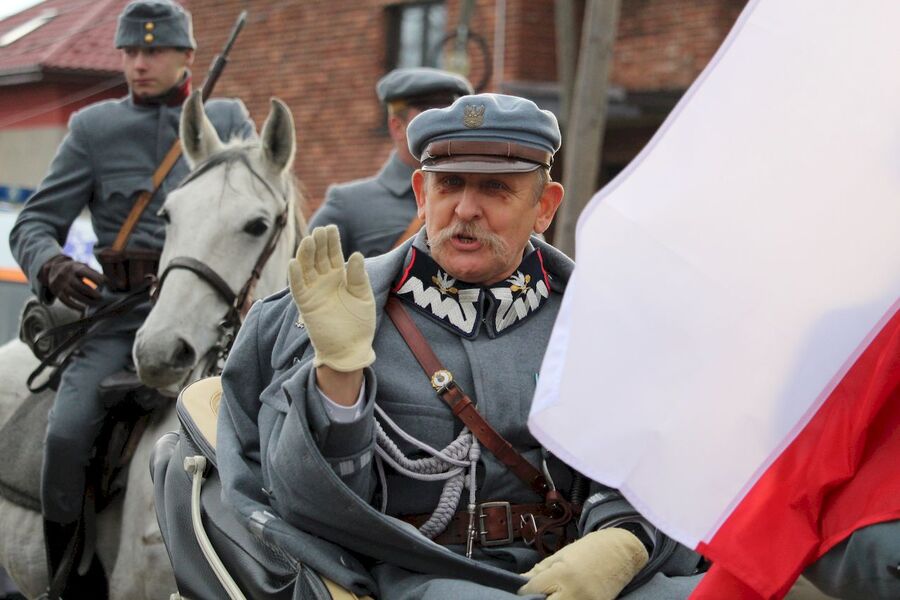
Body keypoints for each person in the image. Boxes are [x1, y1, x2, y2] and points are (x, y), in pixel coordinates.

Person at [217, 93, 705, 599]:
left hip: (586, 576)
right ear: (421, 195)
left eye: (496, 188)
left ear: (544, 207)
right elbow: (309, 506)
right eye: (449, 184)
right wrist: (340, 374)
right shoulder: (321, 320)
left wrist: (626, 541)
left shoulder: (605, 324)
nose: (466, 209)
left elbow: (658, 463)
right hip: (415, 580)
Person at [8, 0, 255, 597]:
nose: (139, 63)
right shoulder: (94, 129)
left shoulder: (226, 119)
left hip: (214, 320)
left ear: (187, 57)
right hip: (119, 316)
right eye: (130, 52)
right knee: (66, 437)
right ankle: (72, 577)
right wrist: (54, 265)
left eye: (154, 51)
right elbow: (32, 223)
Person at [307, 67, 473, 257]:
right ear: (397, 127)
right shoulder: (348, 206)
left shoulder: (476, 201)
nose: (445, 126)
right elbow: (299, 283)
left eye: (452, 116)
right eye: (430, 116)